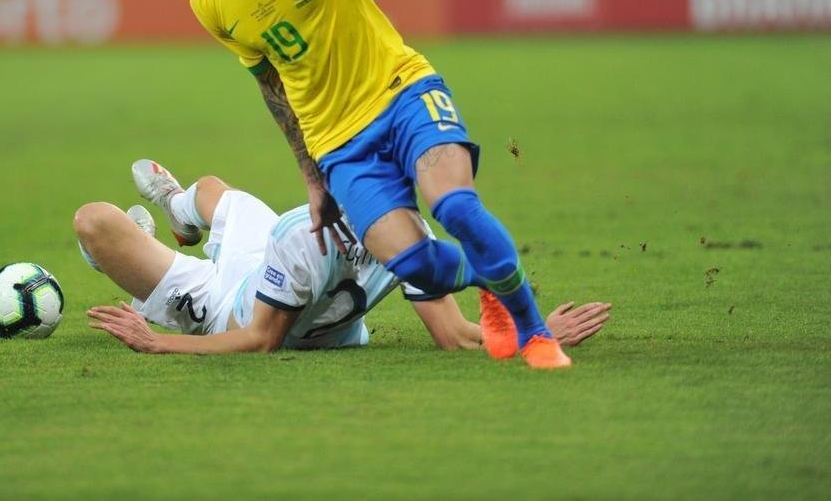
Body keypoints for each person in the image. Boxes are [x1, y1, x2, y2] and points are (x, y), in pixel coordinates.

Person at [143, 0, 570, 367]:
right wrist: (312, 176)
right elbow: (272, 86)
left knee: (453, 205)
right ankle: (490, 274)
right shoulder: (208, 1)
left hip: (401, 92)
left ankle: (534, 333)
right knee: (418, 266)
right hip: (339, 147)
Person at [76, 160, 611, 355]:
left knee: (215, 191)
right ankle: (173, 210)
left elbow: (455, 335)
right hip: (225, 309)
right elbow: (262, 341)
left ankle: (170, 216)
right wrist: (159, 343)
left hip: (273, 281)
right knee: (94, 223)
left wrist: (533, 333)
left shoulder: (410, 238)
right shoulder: (303, 238)